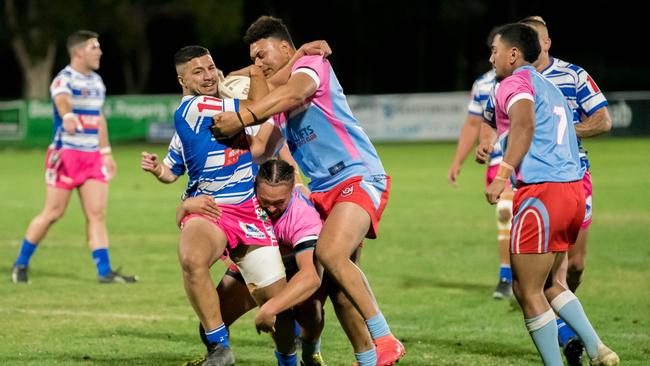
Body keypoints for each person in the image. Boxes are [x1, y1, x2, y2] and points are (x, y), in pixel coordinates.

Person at [212, 15, 405, 366]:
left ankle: (386, 338)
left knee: (331, 255)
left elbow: (295, 90)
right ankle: (369, 360)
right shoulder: (281, 107)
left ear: (285, 48)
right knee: (340, 290)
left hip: (356, 177)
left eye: (262, 54)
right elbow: (258, 149)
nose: (258, 62)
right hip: (324, 192)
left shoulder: (312, 64)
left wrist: (244, 115)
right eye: (253, 57)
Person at [478, 23, 618, 366]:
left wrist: (503, 174)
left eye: (495, 51)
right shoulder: (550, 87)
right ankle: (598, 350)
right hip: (572, 191)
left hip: (542, 195)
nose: (491, 58)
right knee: (555, 283)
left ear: (513, 53)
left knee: (527, 291)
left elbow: (523, 125)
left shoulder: (514, 83)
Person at [11, 30, 136, 284]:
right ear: (78, 51)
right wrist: (67, 116)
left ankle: (105, 272)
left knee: (97, 214)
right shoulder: (63, 80)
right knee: (53, 213)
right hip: (65, 155)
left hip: (92, 157)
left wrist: (106, 152)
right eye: (94, 47)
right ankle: (21, 264)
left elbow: (99, 119)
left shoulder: (97, 82)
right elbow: (63, 102)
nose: (100, 51)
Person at [179, 159, 327, 366]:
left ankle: (310, 353)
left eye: (279, 203)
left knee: (311, 311)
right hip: (255, 261)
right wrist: (186, 205)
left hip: (298, 268)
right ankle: (217, 356)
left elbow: (310, 276)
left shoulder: (303, 215)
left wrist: (270, 308)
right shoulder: (241, 194)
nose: (272, 208)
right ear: (255, 184)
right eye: (265, 201)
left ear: (293, 188)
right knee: (210, 322)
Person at [447, 66, 514, 300]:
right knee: (505, 212)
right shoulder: (484, 83)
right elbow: (474, 124)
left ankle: (539, 278)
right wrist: (458, 161)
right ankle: (506, 277)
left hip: (534, 163)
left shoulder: (537, 79)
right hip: (499, 160)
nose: (493, 57)